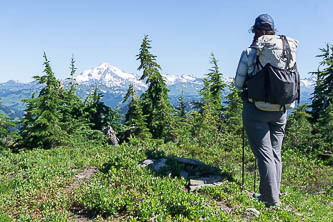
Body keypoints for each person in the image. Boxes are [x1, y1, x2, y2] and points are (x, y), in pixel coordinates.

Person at [235, 14, 298, 207]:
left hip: (257, 109)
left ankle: (271, 200)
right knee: (275, 153)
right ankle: (271, 193)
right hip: (281, 109)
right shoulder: (287, 49)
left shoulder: (250, 51)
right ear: (273, 31)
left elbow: (238, 83)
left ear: (255, 30)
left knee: (264, 154)